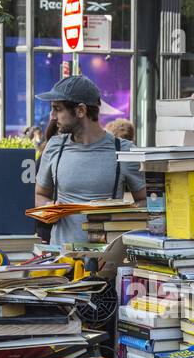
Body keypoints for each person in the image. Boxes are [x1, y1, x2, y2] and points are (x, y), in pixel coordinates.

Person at [33, 75, 145, 248]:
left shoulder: (124, 150)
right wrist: (49, 207)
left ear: (81, 111)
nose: (52, 116)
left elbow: (147, 202)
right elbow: (39, 194)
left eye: (57, 109)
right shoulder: (55, 146)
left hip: (105, 261)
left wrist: (125, 215)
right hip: (62, 259)